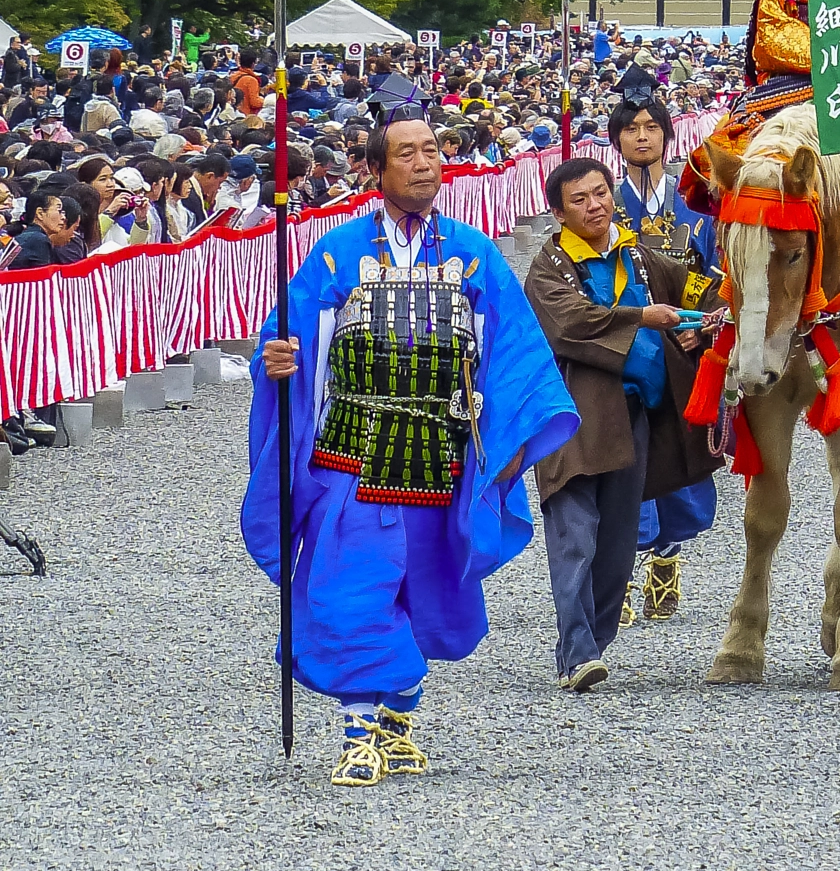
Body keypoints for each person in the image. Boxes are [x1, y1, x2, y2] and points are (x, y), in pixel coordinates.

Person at [243, 112, 577, 788]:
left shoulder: (475, 254)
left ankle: (398, 713)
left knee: (426, 592)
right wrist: (276, 360)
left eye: (432, 150)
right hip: (353, 458)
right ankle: (358, 729)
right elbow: (290, 339)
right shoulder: (335, 254)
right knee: (350, 591)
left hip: (439, 459)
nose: (425, 162)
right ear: (377, 170)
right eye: (408, 153)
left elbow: (516, 354)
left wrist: (506, 452)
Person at [526, 159, 720, 690]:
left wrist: (704, 325)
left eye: (601, 193)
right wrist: (642, 318)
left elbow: (706, 290)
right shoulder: (548, 268)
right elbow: (570, 323)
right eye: (580, 199)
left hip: (631, 416)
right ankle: (575, 652)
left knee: (615, 543)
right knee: (574, 535)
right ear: (559, 211)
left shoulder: (640, 256)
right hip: (570, 419)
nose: (595, 205)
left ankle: (593, 644)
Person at [607, 80, 722, 623]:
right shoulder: (603, 209)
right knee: (625, 453)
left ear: (668, 137)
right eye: (631, 129)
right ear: (617, 141)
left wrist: (706, 329)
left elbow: (722, 278)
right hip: (624, 347)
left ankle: (667, 553)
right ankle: (624, 566)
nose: (642, 136)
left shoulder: (696, 211)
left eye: (652, 127)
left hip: (683, 346)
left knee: (678, 448)